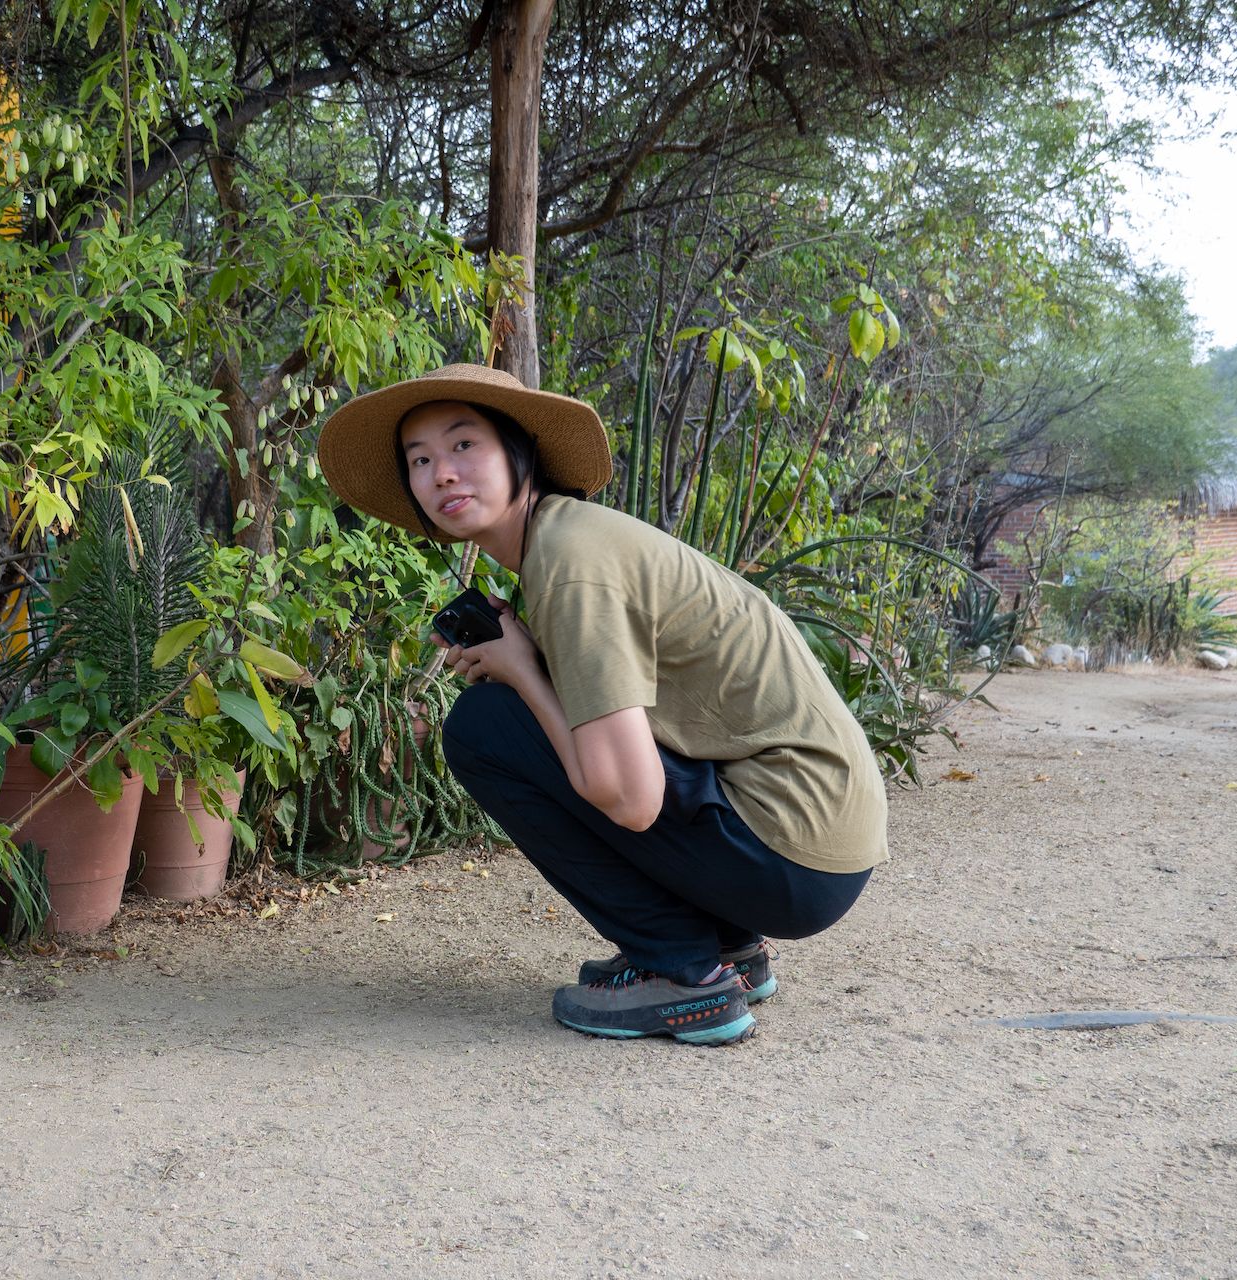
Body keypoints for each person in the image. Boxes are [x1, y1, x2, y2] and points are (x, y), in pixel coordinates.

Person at [316, 363, 887, 1046]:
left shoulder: (570, 563)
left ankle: (684, 974)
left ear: (517, 451)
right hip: (816, 838)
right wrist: (530, 657)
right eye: (420, 459)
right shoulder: (564, 538)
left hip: (796, 852)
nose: (442, 472)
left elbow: (631, 799)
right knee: (546, 719)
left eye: (464, 445)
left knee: (484, 727)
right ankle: (730, 946)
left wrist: (524, 672)